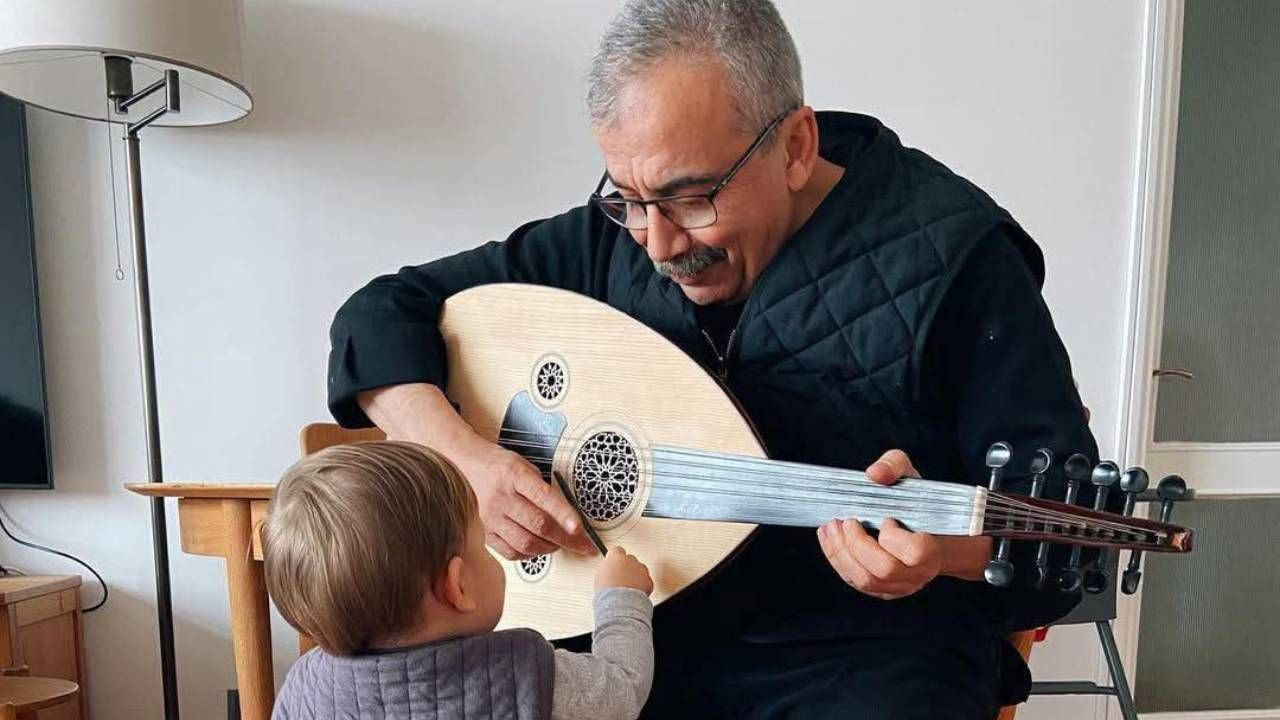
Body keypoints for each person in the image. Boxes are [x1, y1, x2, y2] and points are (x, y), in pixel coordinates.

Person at [326, 1, 1113, 716]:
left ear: (796, 147)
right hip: (637, 626)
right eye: (629, 201)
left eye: (691, 197)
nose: (659, 244)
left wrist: (945, 554)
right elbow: (378, 316)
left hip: (866, 654)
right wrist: (466, 458)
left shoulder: (956, 257)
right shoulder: (613, 242)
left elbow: (1067, 537)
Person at [263, 441, 656, 720]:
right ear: (458, 586)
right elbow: (622, 692)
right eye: (483, 545)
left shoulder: (305, 688)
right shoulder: (520, 675)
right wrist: (620, 599)